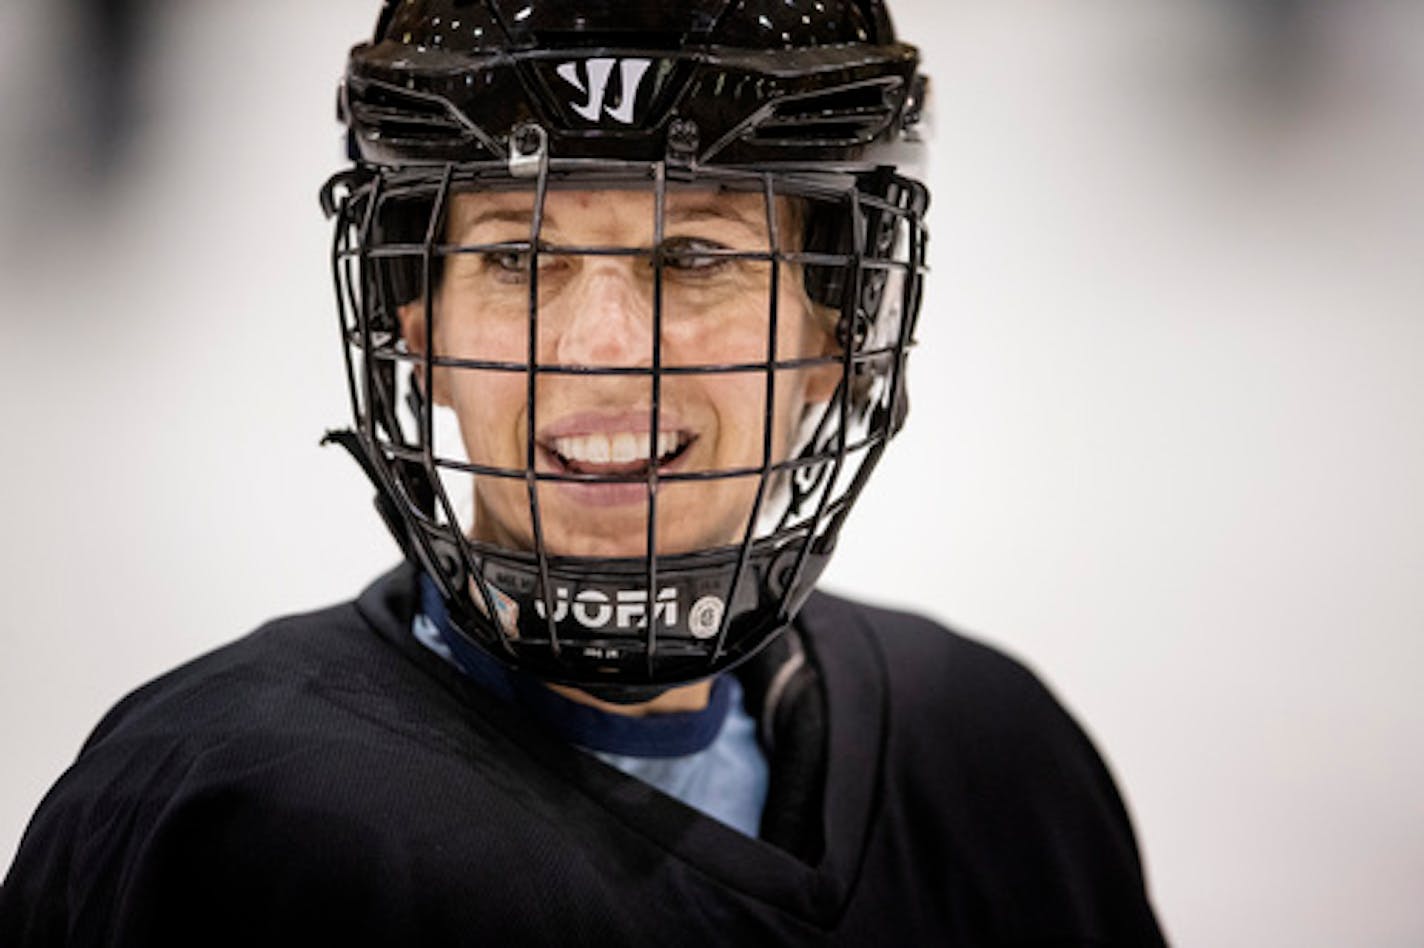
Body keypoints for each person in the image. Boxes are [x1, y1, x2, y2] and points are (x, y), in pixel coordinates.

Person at [0, 1, 1166, 945]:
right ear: (412, 320)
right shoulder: (223, 824)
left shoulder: (993, 769)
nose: (601, 346)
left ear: (835, 329)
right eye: (517, 256)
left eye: (693, 254)